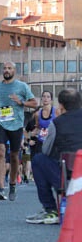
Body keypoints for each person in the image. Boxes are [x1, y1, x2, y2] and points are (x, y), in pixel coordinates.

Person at [27, 88, 82, 224]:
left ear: (61, 105)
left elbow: (46, 150)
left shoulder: (56, 123)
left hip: (69, 177)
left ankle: (51, 210)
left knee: (39, 159)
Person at [0, 61, 37, 201]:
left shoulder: (22, 86)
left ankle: (12, 185)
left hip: (16, 124)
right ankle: (1, 188)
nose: (6, 70)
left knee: (14, 156)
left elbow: (35, 103)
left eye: (9, 68)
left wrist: (21, 102)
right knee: (0, 151)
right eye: (4, 68)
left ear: (14, 71)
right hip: (1, 123)